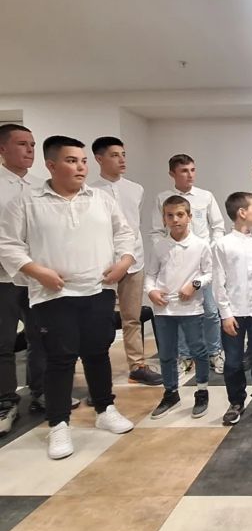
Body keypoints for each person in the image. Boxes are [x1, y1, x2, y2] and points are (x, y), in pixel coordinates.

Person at [0, 135, 135, 459]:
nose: (80, 167)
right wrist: (37, 271)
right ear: (51, 165)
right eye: (71, 161)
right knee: (59, 359)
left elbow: (124, 232)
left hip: (98, 289)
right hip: (53, 293)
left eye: (83, 161)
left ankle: (105, 409)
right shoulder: (27, 202)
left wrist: (124, 262)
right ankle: (59, 424)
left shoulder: (101, 199)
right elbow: (8, 244)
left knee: (97, 353)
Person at [91, 136, 161, 386]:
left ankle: (137, 366)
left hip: (134, 261)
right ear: (99, 159)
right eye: (114, 155)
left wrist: (130, 256)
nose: (121, 160)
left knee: (132, 317)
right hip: (103, 266)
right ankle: (97, 369)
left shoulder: (136, 189)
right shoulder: (91, 192)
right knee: (99, 320)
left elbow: (133, 225)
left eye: (123, 155)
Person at [151, 154, 225, 376]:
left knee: (210, 311)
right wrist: (167, 251)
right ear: (172, 173)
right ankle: (185, 356)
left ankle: (214, 352)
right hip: (175, 263)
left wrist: (210, 249)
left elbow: (218, 226)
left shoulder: (205, 196)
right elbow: (156, 231)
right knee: (179, 311)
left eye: (192, 169)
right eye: (184, 171)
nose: (190, 174)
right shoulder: (162, 198)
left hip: (201, 262)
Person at [145, 195, 212, 419]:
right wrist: (151, 291)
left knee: (198, 349)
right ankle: (171, 392)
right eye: (170, 215)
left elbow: (209, 273)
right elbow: (151, 275)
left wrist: (194, 285)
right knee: (166, 353)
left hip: (191, 308)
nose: (175, 220)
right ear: (164, 219)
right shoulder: (159, 246)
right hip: (164, 309)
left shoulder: (201, 245)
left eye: (180, 214)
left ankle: (202, 391)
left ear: (189, 217)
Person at [212, 192, 252, 426]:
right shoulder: (222, 244)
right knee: (233, 361)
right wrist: (225, 314)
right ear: (242, 213)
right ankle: (236, 401)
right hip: (234, 313)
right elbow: (218, 282)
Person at [0, 123, 48, 432]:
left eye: (32, 144)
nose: (30, 150)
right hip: (3, 277)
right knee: (3, 342)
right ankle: (6, 400)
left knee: (40, 337)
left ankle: (41, 391)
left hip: (36, 278)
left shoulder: (41, 186)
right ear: (3, 148)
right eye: (22, 144)